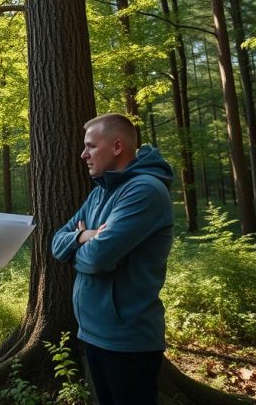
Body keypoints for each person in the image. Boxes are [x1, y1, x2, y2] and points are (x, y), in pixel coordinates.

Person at [51, 113, 174, 405]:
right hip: (93, 333)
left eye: (91, 146)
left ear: (117, 146)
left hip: (128, 342)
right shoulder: (99, 193)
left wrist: (82, 248)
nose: (83, 155)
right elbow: (56, 243)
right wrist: (83, 236)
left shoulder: (144, 190)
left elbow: (97, 260)